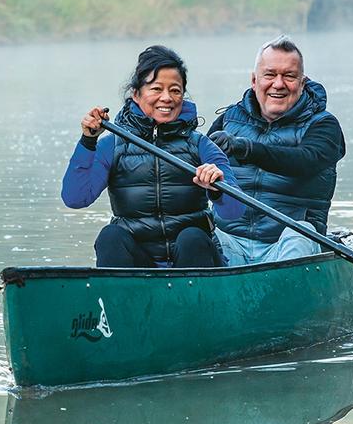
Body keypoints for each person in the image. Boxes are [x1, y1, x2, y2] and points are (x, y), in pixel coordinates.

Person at [62, 45, 244, 268]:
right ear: (136, 94)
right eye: (156, 89)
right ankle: (121, 298)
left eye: (175, 90)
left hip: (193, 261)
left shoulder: (201, 145)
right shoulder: (112, 145)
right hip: (139, 263)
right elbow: (75, 198)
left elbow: (235, 212)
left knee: (192, 237)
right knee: (110, 236)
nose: (167, 98)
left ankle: (194, 300)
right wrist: (88, 142)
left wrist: (217, 188)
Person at [208, 35, 345, 266]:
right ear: (254, 80)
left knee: (300, 233)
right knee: (193, 234)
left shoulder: (324, 125)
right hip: (230, 241)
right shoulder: (229, 120)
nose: (278, 84)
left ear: (302, 83)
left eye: (289, 76)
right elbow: (193, 160)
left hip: (289, 243)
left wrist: (246, 148)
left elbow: (304, 161)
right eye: (270, 75)